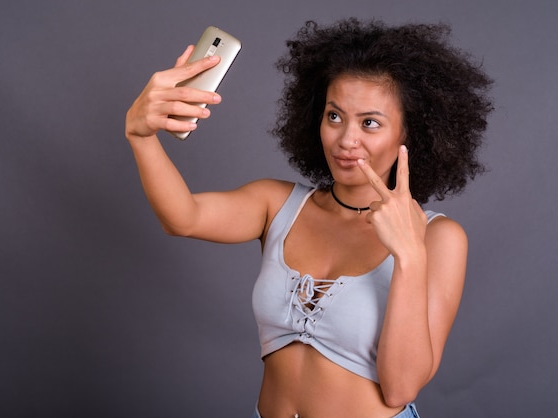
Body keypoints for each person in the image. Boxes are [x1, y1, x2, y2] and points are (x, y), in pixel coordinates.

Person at [125, 18, 493, 418]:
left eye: (370, 122)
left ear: (411, 133)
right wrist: (140, 136)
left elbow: (400, 387)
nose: (346, 139)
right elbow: (183, 217)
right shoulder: (277, 204)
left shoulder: (438, 237)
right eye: (335, 116)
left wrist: (408, 256)